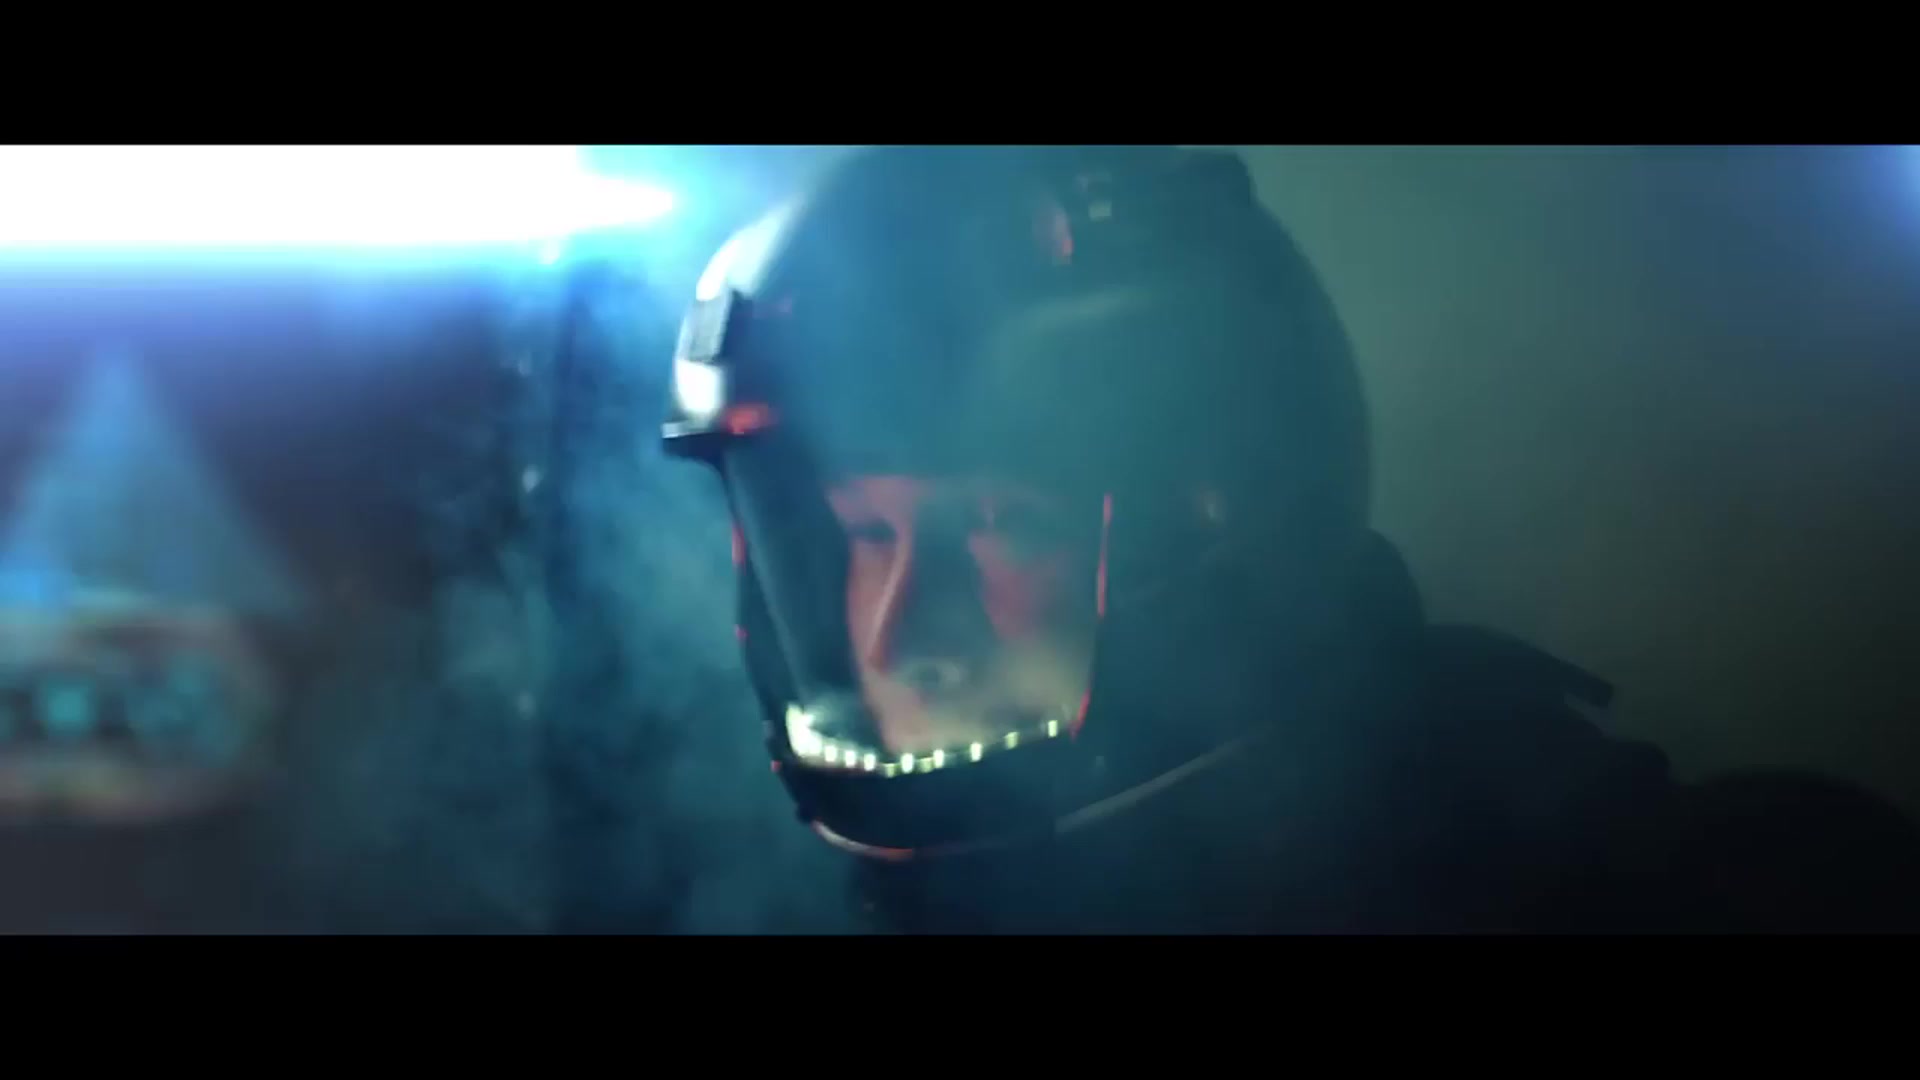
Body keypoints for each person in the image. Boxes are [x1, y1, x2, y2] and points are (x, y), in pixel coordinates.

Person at [661, 145, 1920, 933]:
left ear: (1223, 517)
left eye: (996, 525)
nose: (898, 637)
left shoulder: (1695, 888)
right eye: (863, 535)